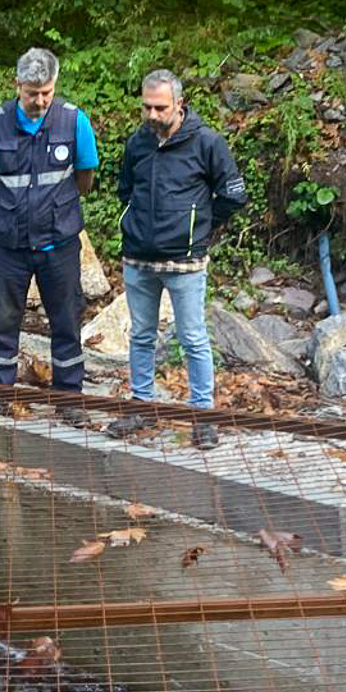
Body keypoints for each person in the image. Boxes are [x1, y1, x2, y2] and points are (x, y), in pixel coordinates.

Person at [109, 69, 247, 450]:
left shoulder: (207, 143)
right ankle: (141, 405)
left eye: (160, 108)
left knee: (192, 338)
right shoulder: (137, 143)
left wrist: (200, 227)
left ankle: (202, 415)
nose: (152, 115)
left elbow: (233, 194)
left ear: (179, 105)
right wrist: (134, 222)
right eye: (146, 106)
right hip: (138, 258)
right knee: (140, 335)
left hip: (185, 262)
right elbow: (125, 190)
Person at [0, 48, 99, 394]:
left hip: (59, 243)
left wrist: (56, 206)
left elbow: (84, 178)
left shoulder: (74, 121)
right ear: (18, 85)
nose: (40, 101)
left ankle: (70, 397)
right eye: (32, 93)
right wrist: (12, 206)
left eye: (47, 93)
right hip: (8, 244)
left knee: (67, 321)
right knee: (3, 321)